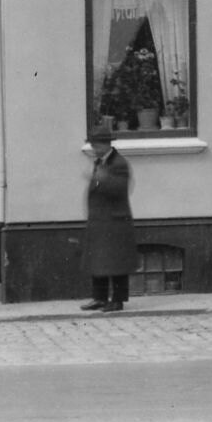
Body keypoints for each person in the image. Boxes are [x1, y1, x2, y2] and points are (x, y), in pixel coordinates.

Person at [81, 132, 136, 311]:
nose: (94, 149)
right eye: (92, 146)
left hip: (115, 221)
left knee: (117, 263)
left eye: (96, 146)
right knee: (99, 261)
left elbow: (121, 189)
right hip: (101, 221)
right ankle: (100, 298)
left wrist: (102, 179)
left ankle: (118, 300)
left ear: (106, 145)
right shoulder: (100, 162)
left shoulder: (119, 163)